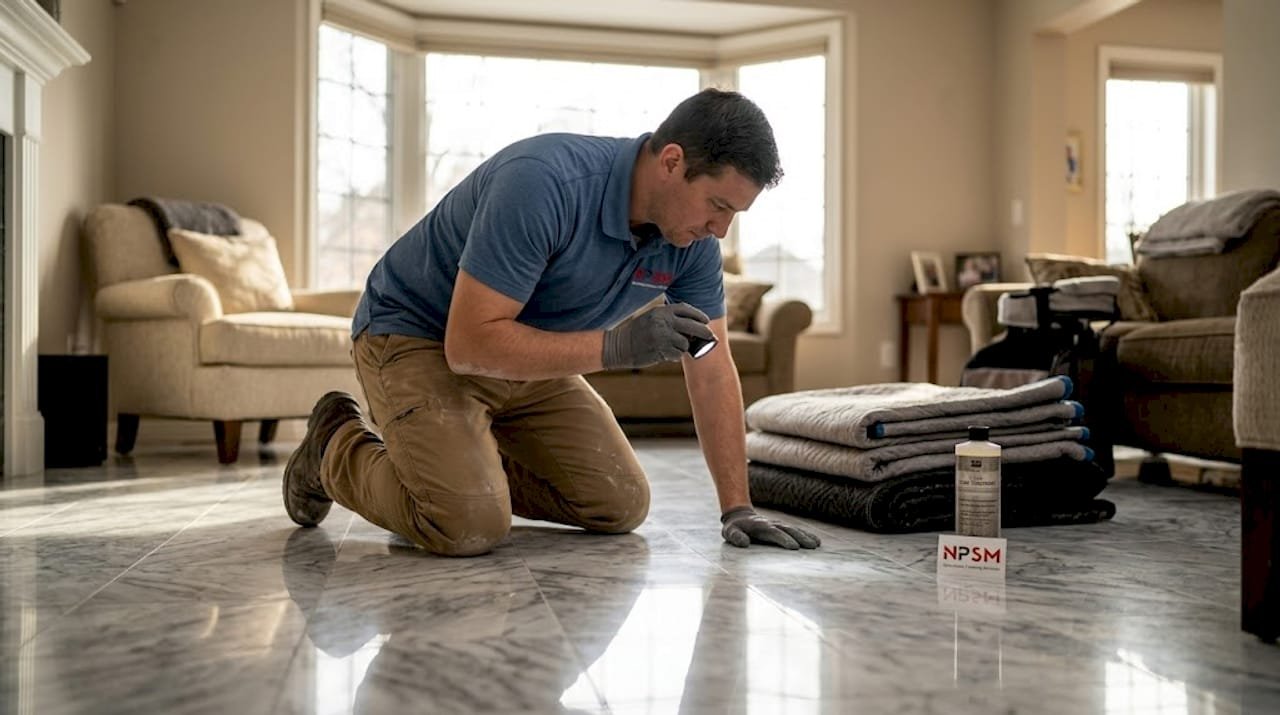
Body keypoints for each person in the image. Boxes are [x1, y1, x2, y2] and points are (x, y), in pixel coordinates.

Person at [282, 88, 821, 556]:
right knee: (467, 524)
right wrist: (615, 348)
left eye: (733, 215)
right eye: (717, 205)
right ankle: (335, 444)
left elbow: (711, 362)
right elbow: (468, 345)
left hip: (523, 355)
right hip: (415, 334)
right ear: (672, 161)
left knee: (619, 503)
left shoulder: (691, 241)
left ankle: (456, 471)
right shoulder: (543, 184)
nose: (721, 230)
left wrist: (737, 508)